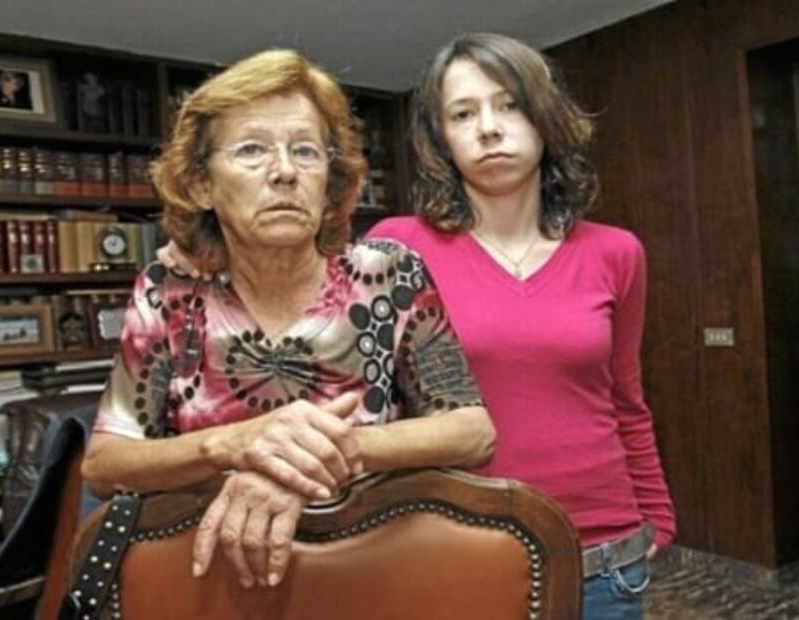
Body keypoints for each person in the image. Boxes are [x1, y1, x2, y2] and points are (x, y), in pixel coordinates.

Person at [160, 34, 676, 619]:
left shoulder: (616, 252)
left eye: (509, 106)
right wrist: (204, 254)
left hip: (603, 557)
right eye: (463, 114)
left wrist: (656, 517)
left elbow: (626, 399)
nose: (488, 128)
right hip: (451, 546)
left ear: (545, 118)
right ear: (441, 139)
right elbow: (296, 301)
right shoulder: (395, 250)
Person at [82, 49, 496, 591]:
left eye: (305, 151)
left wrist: (312, 459)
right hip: (212, 582)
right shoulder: (169, 292)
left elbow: (472, 432)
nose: (284, 172)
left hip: (376, 574)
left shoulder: (387, 274)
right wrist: (232, 444)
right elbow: (106, 464)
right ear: (202, 185)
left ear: (329, 185)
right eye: (252, 150)